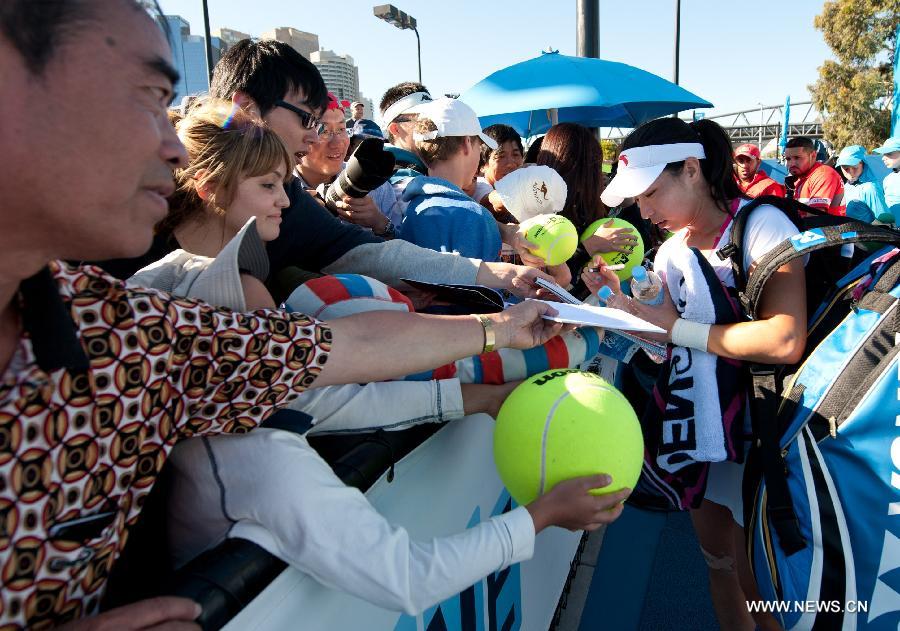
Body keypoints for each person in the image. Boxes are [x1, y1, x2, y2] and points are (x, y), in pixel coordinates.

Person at [0, 2, 588, 627]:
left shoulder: (142, 331)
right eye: (146, 95)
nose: (169, 142)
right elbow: (335, 363)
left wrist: (495, 329)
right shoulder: (154, 304)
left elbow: (329, 360)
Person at [97, 40, 555, 306]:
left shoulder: (287, 206)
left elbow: (373, 256)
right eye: (307, 120)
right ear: (247, 108)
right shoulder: (120, 211)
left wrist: (493, 275)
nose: (316, 138)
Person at [588, 117, 806, 631]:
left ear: (692, 170)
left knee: (763, 586)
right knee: (721, 568)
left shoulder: (764, 225)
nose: (643, 211)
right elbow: (669, 342)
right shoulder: (670, 250)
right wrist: (619, 304)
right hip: (704, 430)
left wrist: (674, 329)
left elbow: (784, 338)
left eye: (649, 193)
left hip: (766, 434)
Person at [536, 123, 639, 298]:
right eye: (594, 165)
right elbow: (547, 283)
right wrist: (590, 245)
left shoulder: (587, 203)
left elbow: (635, 241)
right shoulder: (538, 213)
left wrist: (628, 205)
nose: (599, 174)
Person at [400, 97, 503, 261]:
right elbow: (488, 285)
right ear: (467, 143)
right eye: (479, 146)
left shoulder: (411, 206)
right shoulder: (475, 216)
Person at [297, 94, 401, 236]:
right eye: (324, 131)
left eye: (341, 129)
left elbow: (406, 249)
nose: (337, 142)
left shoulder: (375, 186)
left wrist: (379, 223)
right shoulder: (277, 189)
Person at [379, 81, 433, 176]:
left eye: (434, 116)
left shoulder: (432, 165)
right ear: (395, 129)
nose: (431, 124)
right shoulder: (395, 176)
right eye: (421, 119)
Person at [474, 124, 525, 219]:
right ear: (482, 165)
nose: (511, 163)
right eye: (501, 156)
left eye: (516, 154)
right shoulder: (479, 186)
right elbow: (495, 201)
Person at [783, 136, 844, 214]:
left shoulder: (823, 175)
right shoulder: (798, 178)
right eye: (788, 159)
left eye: (797, 158)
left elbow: (815, 217)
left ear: (813, 155)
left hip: (826, 226)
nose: (791, 163)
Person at [834, 145, 892, 224]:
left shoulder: (870, 188)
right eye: (846, 168)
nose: (851, 173)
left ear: (862, 163)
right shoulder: (847, 185)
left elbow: (884, 223)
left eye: (855, 168)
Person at [874, 136, 900, 222]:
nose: (883, 158)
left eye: (889, 153)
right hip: (892, 231)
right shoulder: (887, 179)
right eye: (883, 154)